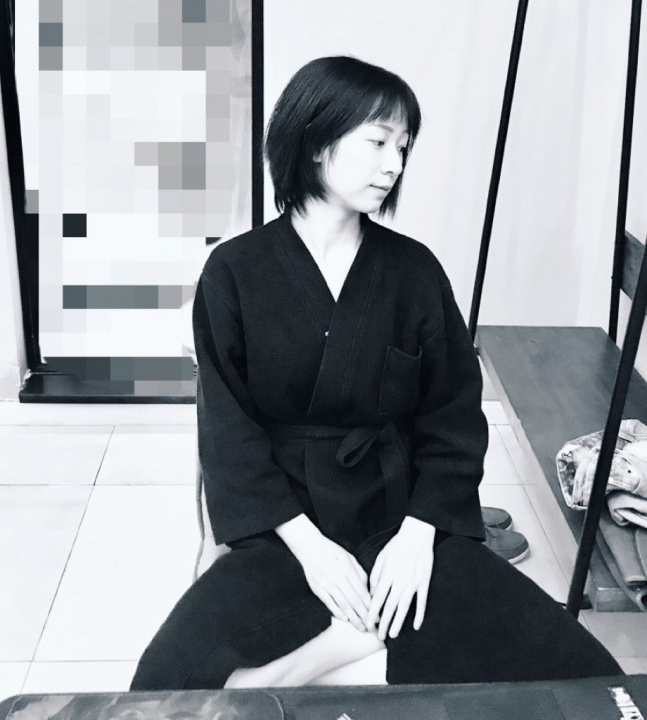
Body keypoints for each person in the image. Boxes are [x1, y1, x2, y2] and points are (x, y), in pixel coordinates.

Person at [130, 55, 621, 690]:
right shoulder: (233, 273)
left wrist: (418, 537)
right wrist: (311, 550)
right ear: (315, 140)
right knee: (162, 684)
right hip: (285, 527)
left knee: (590, 678)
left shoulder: (414, 272)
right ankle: (346, 647)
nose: (394, 164)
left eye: (404, 147)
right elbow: (228, 434)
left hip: (399, 514)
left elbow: (453, 420)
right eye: (378, 142)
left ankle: (351, 644)